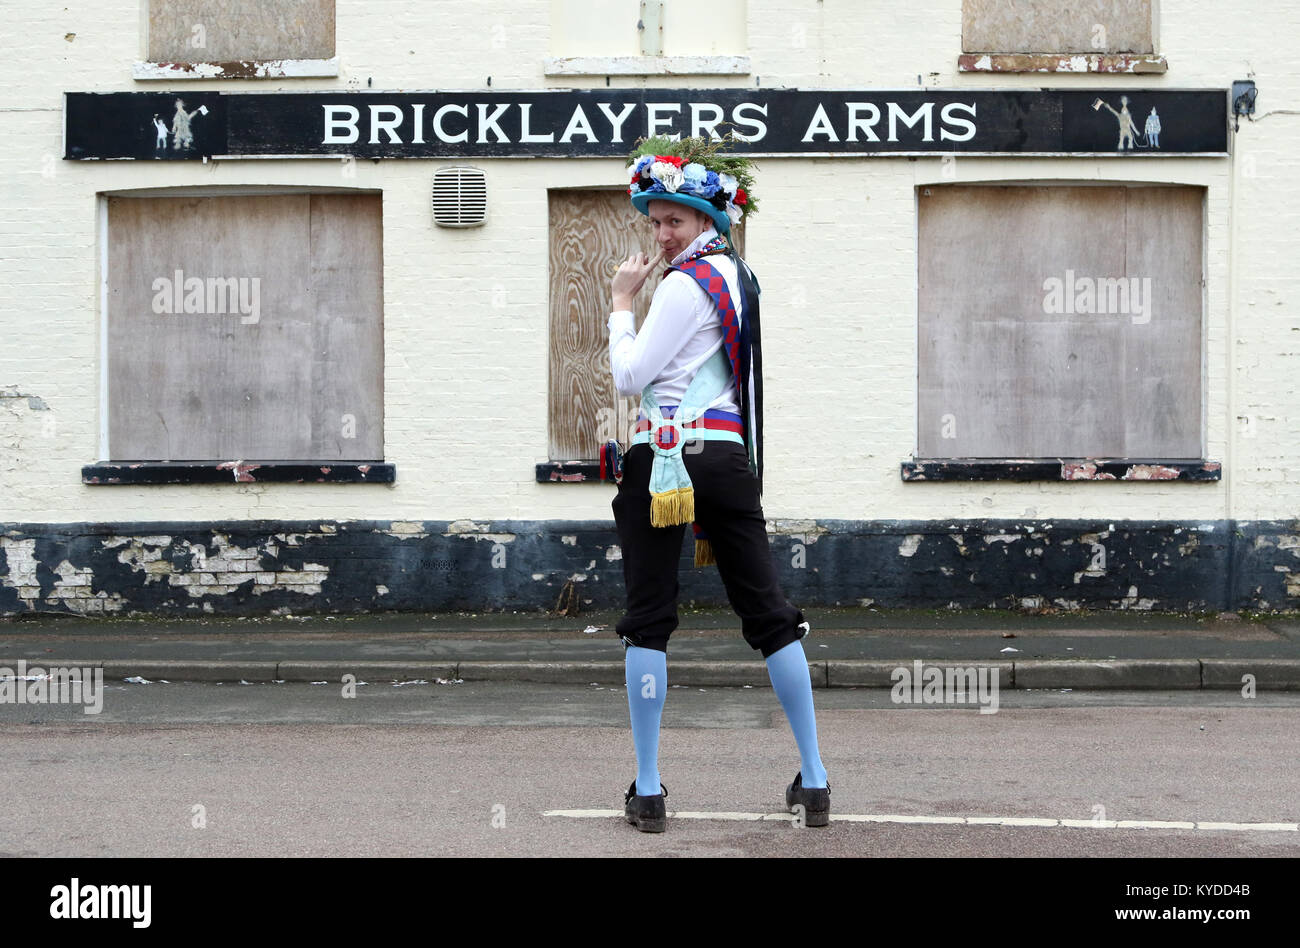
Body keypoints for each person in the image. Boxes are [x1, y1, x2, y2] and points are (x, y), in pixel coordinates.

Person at [606, 136, 830, 833]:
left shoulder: (678, 284)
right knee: (768, 613)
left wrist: (619, 303)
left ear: (709, 219)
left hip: (665, 456)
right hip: (727, 456)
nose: (662, 232)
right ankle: (814, 780)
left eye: (675, 220)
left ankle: (648, 789)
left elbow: (629, 377)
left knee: (649, 617)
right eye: (656, 220)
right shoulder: (742, 279)